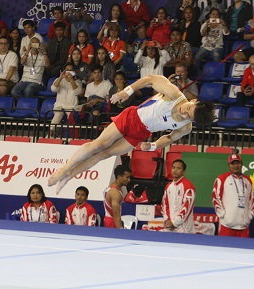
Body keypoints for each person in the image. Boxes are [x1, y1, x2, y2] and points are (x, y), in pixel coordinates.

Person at [47, 74, 215, 194]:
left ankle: (69, 176)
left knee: (104, 155)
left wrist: (153, 145)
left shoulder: (185, 127)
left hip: (140, 133)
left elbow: (170, 137)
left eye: (188, 116)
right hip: (131, 117)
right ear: (194, 101)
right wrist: (126, 91)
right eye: (188, 108)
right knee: (100, 144)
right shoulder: (174, 94)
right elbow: (149, 79)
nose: (184, 113)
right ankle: (64, 169)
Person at [212, 154, 254, 237]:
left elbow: (252, 199)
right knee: (224, 249)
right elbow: (215, 197)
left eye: (238, 163)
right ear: (229, 165)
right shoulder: (222, 178)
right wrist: (224, 216)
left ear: (241, 164)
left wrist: (250, 216)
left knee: (243, 249)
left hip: (244, 226)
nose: (236, 166)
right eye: (233, 163)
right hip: (227, 225)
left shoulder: (248, 180)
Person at [161, 159, 196, 233]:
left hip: (184, 229)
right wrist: (167, 220)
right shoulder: (168, 186)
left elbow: (187, 207)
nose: (175, 170)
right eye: (173, 168)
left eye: (178, 168)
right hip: (170, 227)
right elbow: (165, 205)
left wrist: (174, 223)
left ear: (183, 172)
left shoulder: (188, 186)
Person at [49, 64, 82, 136]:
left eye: (71, 70)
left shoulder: (78, 82)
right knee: (58, 114)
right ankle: (50, 132)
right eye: (67, 70)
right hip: (59, 105)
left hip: (72, 106)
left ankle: (71, 136)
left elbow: (78, 92)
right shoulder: (59, 80)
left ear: (74, 72)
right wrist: (60, 78)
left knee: (71, 117)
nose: (69, 72)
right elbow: (53, 89)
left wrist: (71, 80)